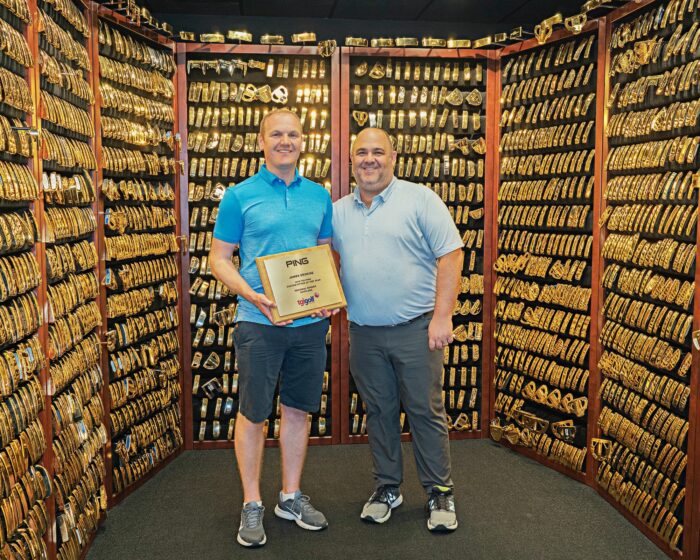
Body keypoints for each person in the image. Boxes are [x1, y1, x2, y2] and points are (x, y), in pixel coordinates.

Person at [210, 108, 332, 548]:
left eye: (293, 134)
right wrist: (253, 294)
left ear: (303, 142)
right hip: (258, 321)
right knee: (254, 413)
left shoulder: (319, 196)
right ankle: (251, 502)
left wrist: (327, 295)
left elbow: (323, 254)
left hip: (309, 325)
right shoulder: (239, 197)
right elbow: (219, 259)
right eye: (276, 134)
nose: (285, 141)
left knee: (298, 409)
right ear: (261, 142)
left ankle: (290, 496)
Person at [332, 127, 464, 532]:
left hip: (416, 329)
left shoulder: (420, 199)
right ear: (351, 160)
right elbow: (325, 260)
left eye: (378, 152)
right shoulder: (338, 211)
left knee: (425, 411)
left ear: (393, 157)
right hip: (364, 333)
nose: (369, 160)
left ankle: (440, 491)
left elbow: (451, 254)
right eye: (361, 153)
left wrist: (442, 316)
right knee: (379, 412)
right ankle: (387, 487)